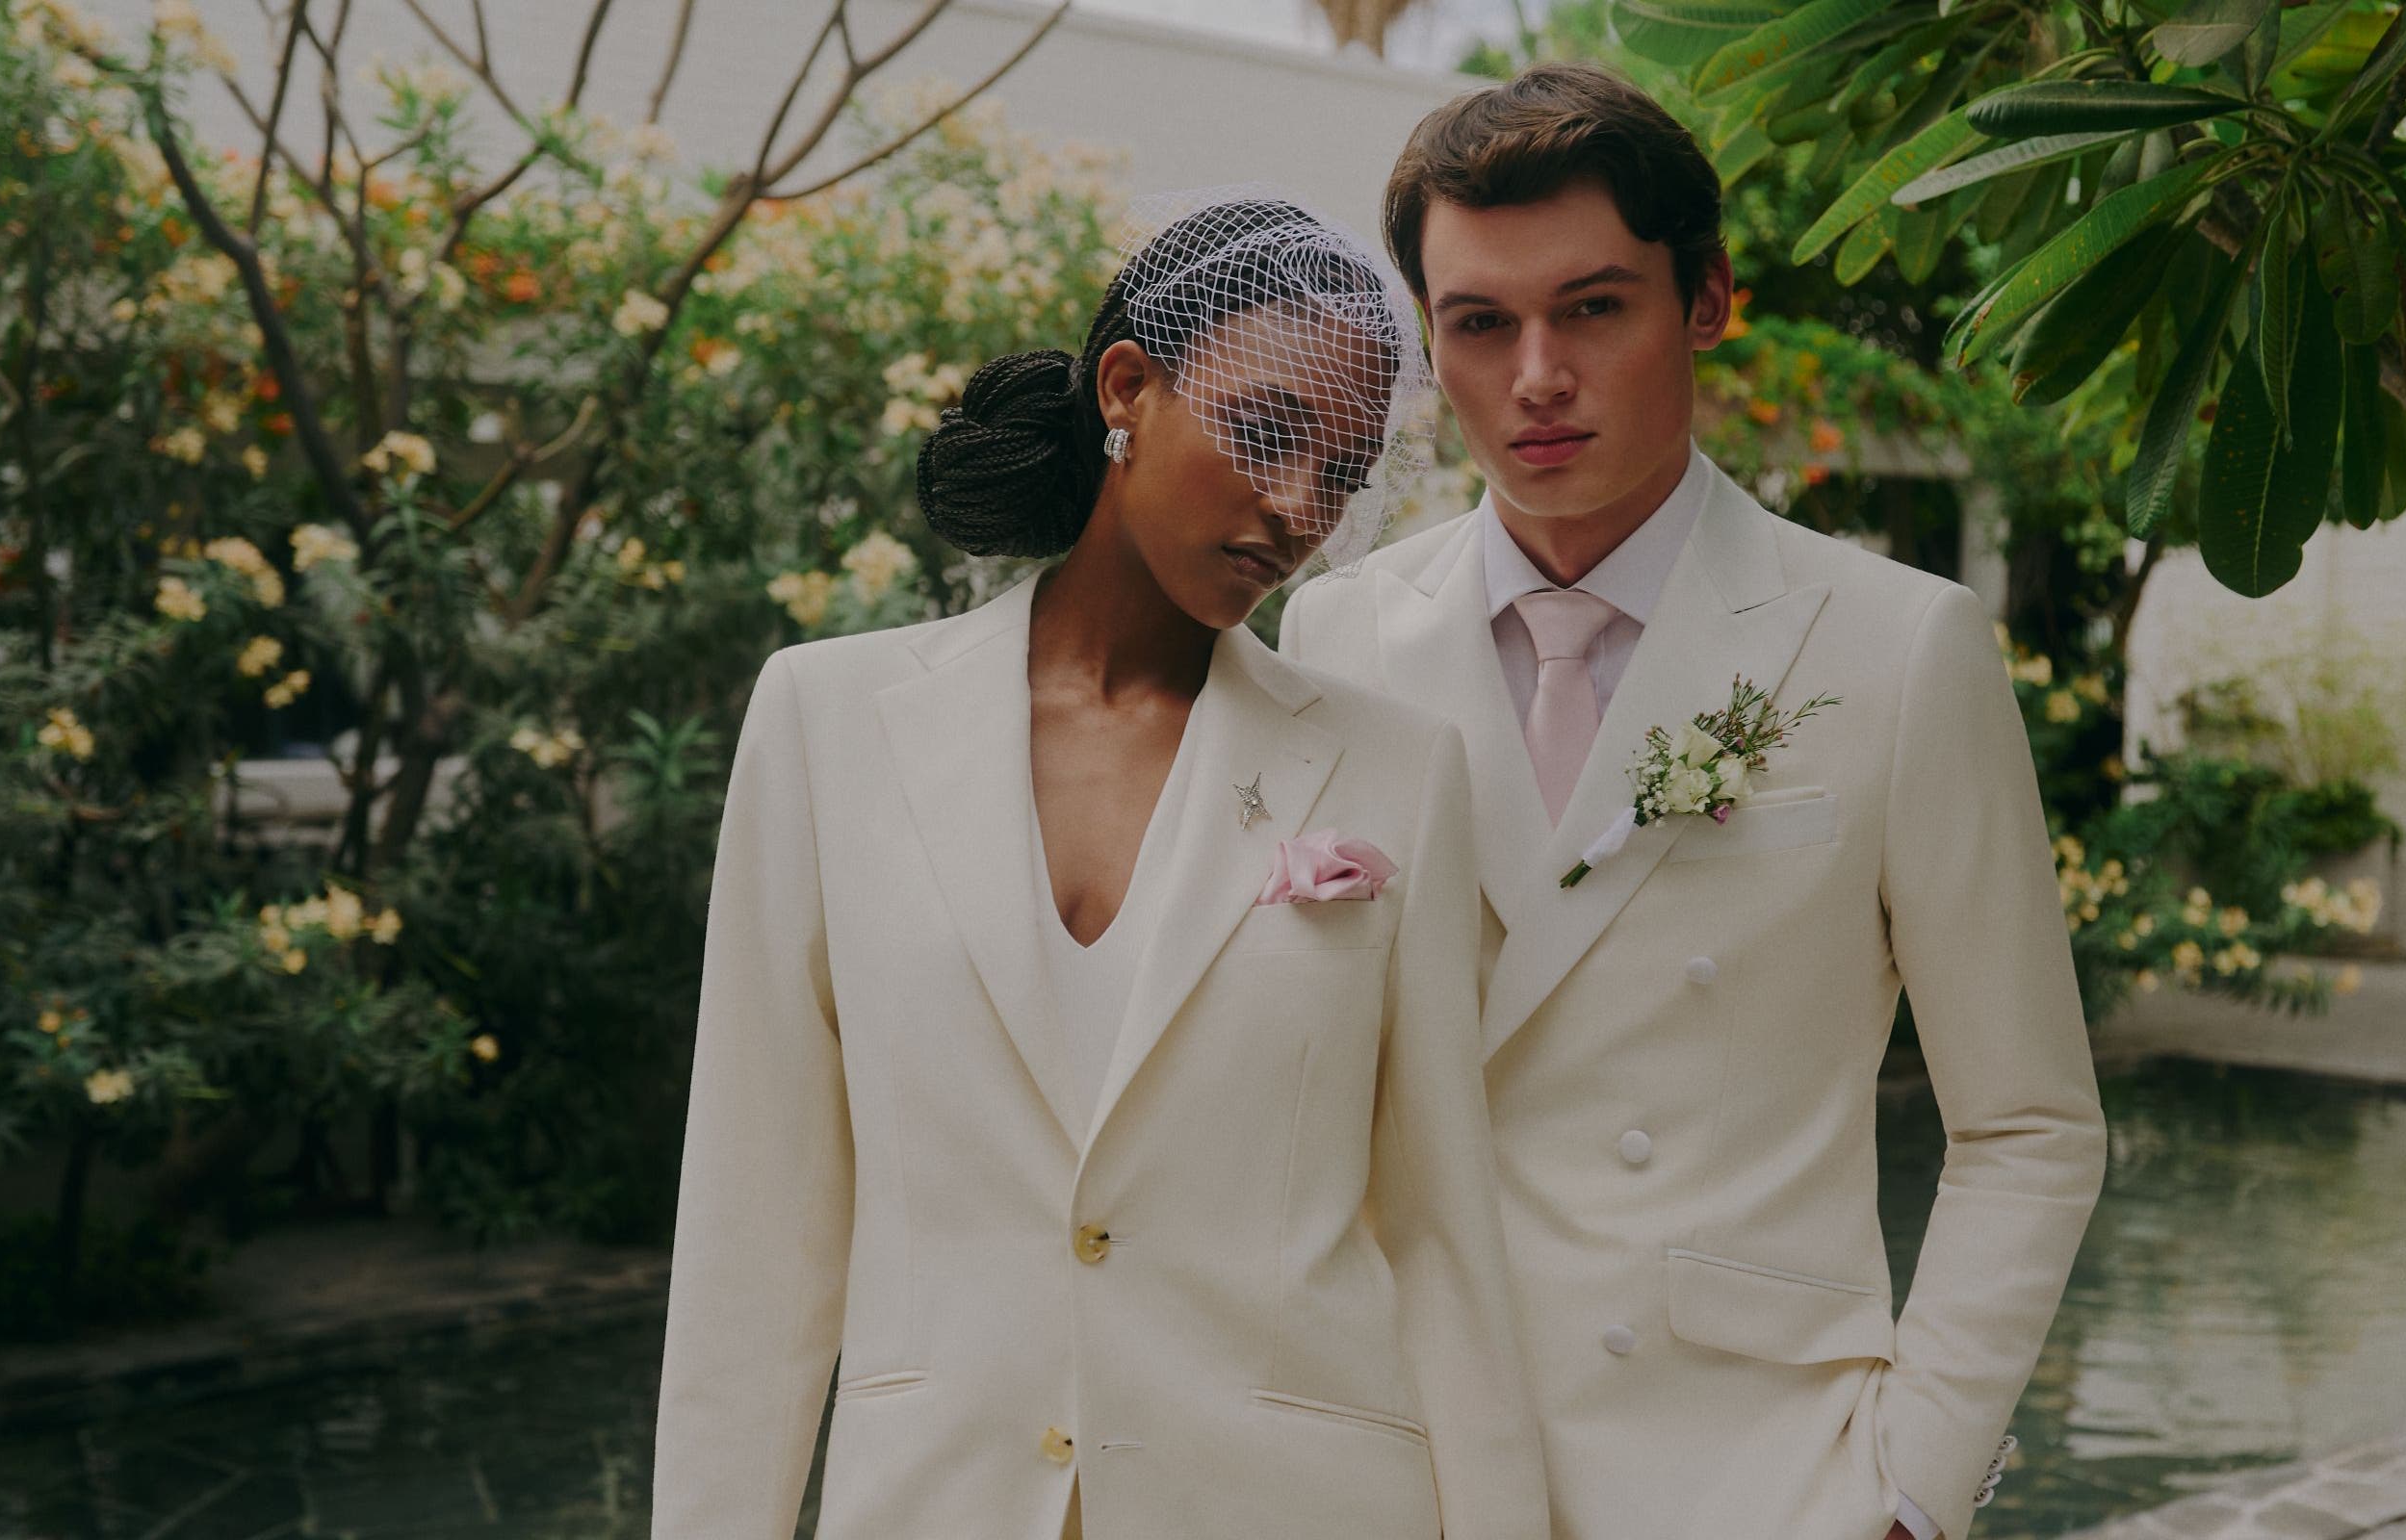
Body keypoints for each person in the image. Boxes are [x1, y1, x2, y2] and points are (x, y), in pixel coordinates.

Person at [1281, 64, 2107, 1540]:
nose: (1538, 376)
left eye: (1593, 308)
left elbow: (2029, 1122)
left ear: (1706, 299)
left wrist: (1912, 1491)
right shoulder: (1340, 635)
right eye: (1481, 324)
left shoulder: (1896, 647)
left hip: (1757, 1476)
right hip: (1408, 1466)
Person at [652, 193, 1548, 1540]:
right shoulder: (828, 723)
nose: (1300, 505)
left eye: (1344, 470)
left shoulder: (1398, 771)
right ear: (1127, 389)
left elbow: (1440, 1236)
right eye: (1267, 433)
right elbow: (754, 1219)